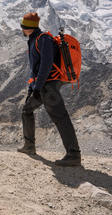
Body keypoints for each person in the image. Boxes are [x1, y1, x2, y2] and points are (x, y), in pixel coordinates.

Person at [17, 12, 82, 167]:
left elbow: (47, 63)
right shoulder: (33, 40)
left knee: (60, 117)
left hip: (49, 85)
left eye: (21, 26)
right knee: (27, 110)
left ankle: (73, 155)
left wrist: (38, 87)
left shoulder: (43, 39)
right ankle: (29, 146)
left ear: (25, 27)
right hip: (41, 86)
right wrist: (32, 89)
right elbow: (35, 68)